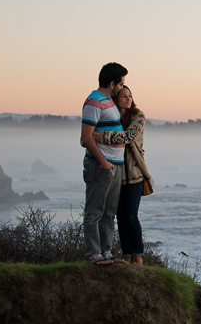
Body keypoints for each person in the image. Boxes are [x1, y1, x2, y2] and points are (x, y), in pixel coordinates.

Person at [94, 85, 150, 265]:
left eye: (130, 96)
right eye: (124, 96)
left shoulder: (138, 116)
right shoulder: (111, 116)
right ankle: (127, 254)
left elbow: (129, 136)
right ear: (116, 98)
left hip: (134, 174)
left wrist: (102, 137)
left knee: (131, 216)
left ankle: (138, 254)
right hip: (115, 172)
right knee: (119, 215)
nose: (128, 99)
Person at [80, 62, 128, 266]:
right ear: (112, 83)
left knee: (109, 213)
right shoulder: (94, 102)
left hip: (115, 166)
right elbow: (86, 137)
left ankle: (106, 253)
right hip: (101, 167)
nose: (122, 87)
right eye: (121, 84)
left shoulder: (109, 103)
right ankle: (93, 255)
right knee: (94, 212)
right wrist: (103, 162)